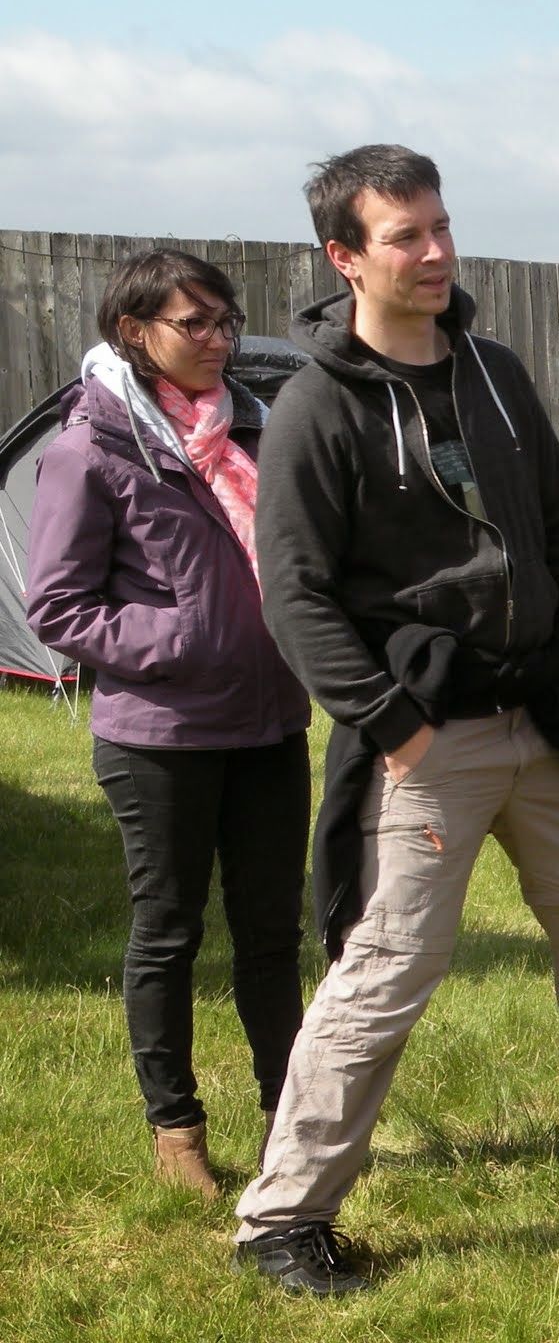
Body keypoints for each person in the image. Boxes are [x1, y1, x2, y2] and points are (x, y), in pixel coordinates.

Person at [232, 145, 559, 1295]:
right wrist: (394, 727)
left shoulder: (495, 374)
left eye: (441, 226)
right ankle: (283, 1217)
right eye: (404, 235)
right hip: (426, 737)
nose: (435, 252)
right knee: (389, 969)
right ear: (344, 257)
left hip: (543, 716)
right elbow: (294, 596)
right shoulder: (318, 407)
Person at [26, 250, 312, 1199]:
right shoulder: (91, 449)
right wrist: (186, 637)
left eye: (226, 321)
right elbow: (58, 606)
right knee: (168, 933)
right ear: (134, 332)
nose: (218, 339)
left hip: (271, 724)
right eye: (195, 323)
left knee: (272, 935)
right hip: (160, 737)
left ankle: (289, 1119)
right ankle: (176, 1128)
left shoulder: (255, 431)